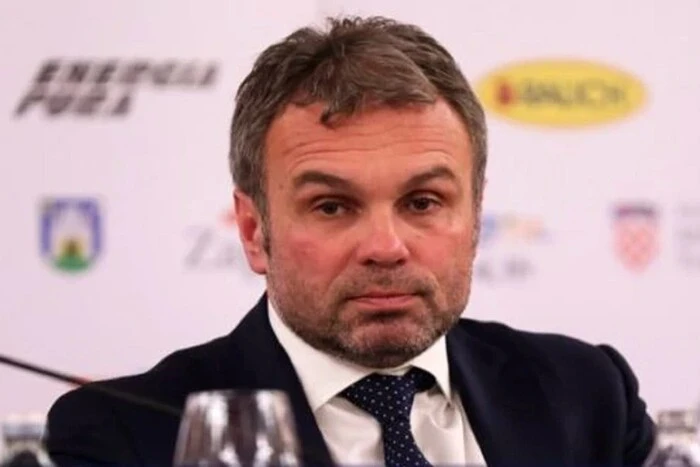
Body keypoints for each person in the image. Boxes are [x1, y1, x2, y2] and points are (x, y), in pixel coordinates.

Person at [45, 15, 656, 466]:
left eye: (423, 202)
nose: (385, 247)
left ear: (475, 216)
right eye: (332, 206)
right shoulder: (124, 434)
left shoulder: (588, 392)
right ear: (254, 231)